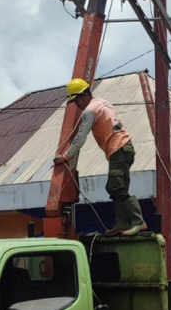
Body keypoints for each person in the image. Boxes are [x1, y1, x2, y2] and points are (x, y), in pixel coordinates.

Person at [53, 79, 147, 236]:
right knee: (115, 187)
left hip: (119, 148)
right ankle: (122, 223)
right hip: (123, 149)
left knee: (117, 187)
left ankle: (138, 222)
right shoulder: (102, 102)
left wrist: (66, 156)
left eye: (76, 99)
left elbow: (80, 138)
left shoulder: (90, 111)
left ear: (83, 95)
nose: (76, 104)